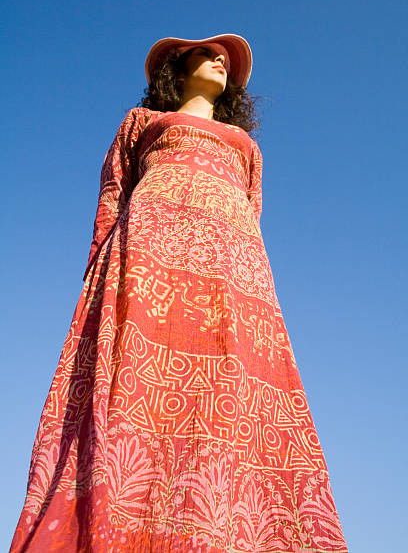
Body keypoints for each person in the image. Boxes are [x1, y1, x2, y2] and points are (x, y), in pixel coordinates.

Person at [10, 34, 348, 553]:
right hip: (148, 255)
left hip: (231, 268)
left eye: (224, 59)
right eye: (205, 53)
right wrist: (101, 275)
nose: (218, 60)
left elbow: (252, 210)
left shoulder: (247, 145)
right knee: (132, 383)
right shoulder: (141, 123)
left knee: (231, 385)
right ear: (177, 68)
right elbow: (112, 193)